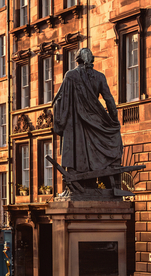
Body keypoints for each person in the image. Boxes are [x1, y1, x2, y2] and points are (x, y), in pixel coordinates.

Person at [52, 48, 123, 186]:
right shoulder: (100, 76)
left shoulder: (70, 75)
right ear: (92, 60)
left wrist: (60, 118)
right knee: (114, 136)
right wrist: (114, 121)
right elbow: (109, 100)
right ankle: (102, 171)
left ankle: (81, 175)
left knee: (78, 145)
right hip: (95, 120)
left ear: (77, 60)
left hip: (77, 122)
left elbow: (59, 100)